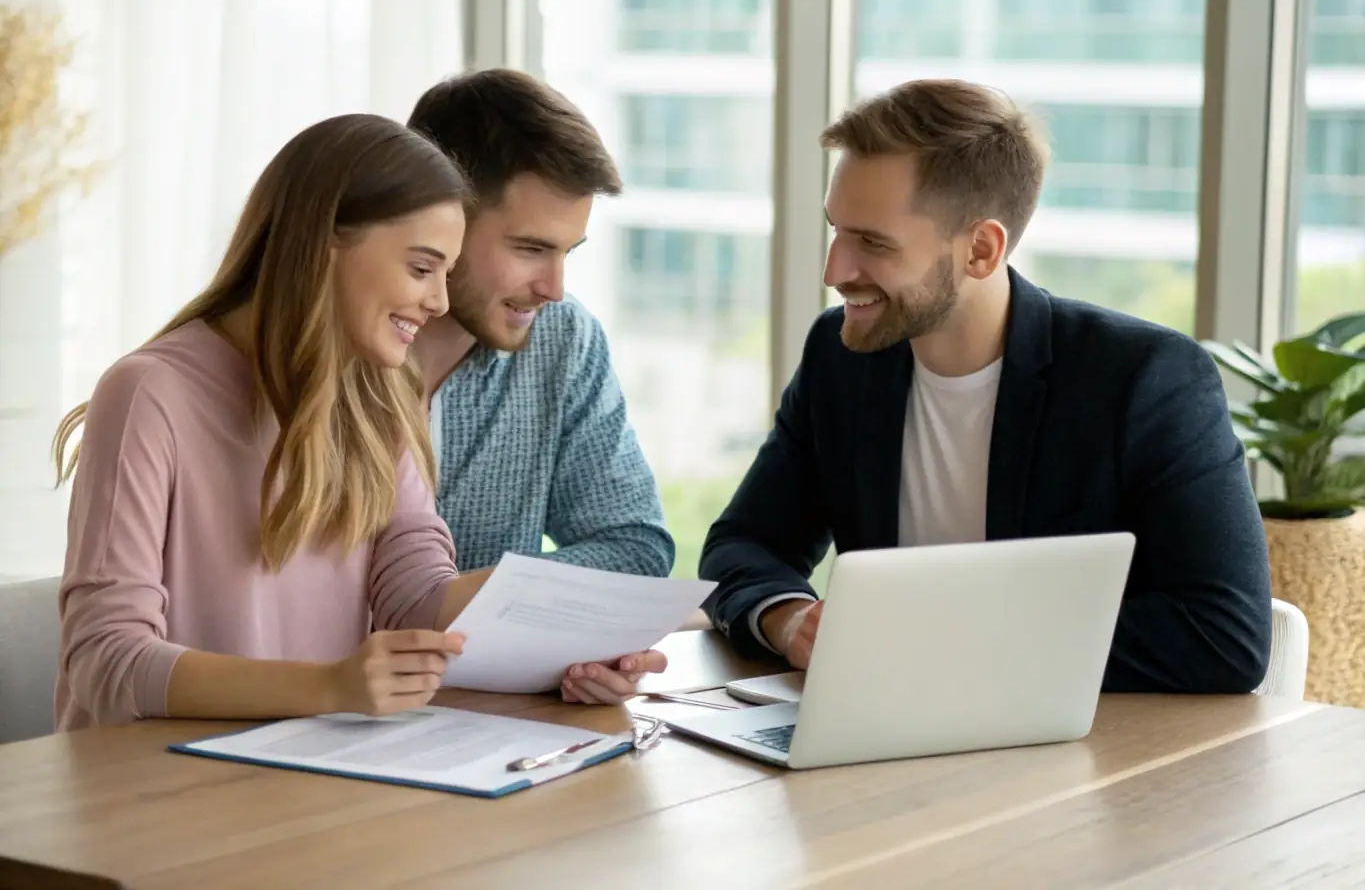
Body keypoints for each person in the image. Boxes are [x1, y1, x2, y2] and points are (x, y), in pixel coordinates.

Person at [53, 113, 665, 730]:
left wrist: (578, 639)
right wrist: (331, 686)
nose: (439, 301)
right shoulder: (148, 394)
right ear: (324, 243)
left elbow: (417, 598)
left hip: (306, 772)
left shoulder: (375, 393)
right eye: (422, 269)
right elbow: (107, 660)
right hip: (150, 791)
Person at [699, 79, 1273, 695]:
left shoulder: (1143, 378)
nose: (835, 270)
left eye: (873, 243)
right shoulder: (840, 358)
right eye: (837, 230)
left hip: (1080, 753)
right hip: (876, 732)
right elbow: (745, 543)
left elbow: (1224, 634)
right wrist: (789, 622)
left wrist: (934, 643)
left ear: (980, 249)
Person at [407, 69, 676, 705]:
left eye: (568, 253)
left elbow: (635, 549)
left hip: (488, 720)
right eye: (530, 249)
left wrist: (563, 637)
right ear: (438, 218)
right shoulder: (324, 353)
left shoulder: (562, 338)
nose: (553, 287)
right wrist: (545, 607)